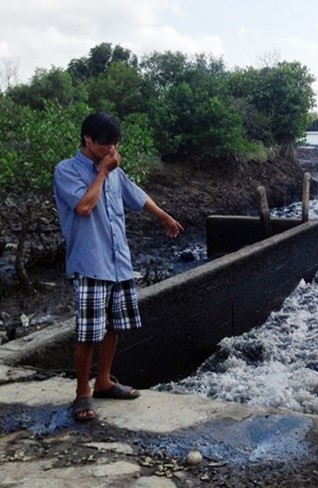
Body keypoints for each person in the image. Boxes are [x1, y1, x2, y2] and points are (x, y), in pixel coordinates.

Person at [53, 112, 183, 422]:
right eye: (105, 144)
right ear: (87, 140)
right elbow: (84, 207)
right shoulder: (67, 170)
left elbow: (136, 196)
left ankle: (105, 381)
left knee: (114, 326)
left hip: (118, 263)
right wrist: (101, 173)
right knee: (87, 333)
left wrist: (164, 217)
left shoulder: (114, 171)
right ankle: (82, 393)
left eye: (115, 144)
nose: (112, 150)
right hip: (90, 263)